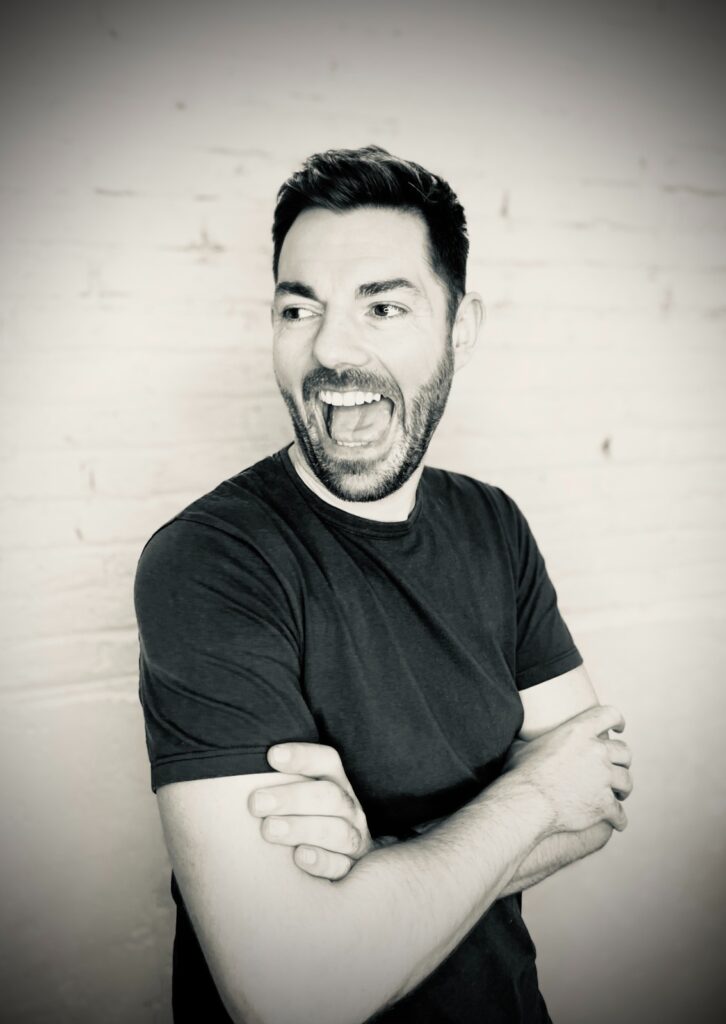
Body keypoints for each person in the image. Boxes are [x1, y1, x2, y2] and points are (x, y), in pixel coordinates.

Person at [134, 145, 633, 1024]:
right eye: (300, 308)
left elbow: (599, 797)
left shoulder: (494, 526)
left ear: (460, 328)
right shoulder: (212, 563)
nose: (330, 347)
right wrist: (534, 792)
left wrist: (382, 872)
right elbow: (291, 993)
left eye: (384, 306)